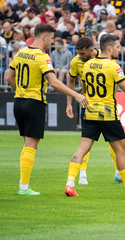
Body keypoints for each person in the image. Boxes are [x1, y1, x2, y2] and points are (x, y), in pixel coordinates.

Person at [64, 34, 125, 197]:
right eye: (118, 47)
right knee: (120, 150)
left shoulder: (87, 65)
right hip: (108, 114)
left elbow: (84, 89)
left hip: (90, 113)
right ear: (109, 47)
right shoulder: (113, 66)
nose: (119, 50)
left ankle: (70, 184)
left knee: (82, 149)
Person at [6, 23, 88, 196]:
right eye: (51, 38)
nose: (52, 41)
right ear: (44, 37)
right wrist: (76, 95)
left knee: (27, 145)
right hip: (34, 102)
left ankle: (23, 184)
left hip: (19, 102)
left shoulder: (20, 52)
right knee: (31, 146)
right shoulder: (42, 57)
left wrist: (19, 91)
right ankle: (23, 187)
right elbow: (54, 82)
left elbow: (9, 76)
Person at [66, 36, 125, 184]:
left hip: (97, 106)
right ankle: (82, 175)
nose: (79, 57)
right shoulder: (77, 61)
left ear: (92, 50)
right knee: (107, 144)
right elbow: (71, 81)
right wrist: (69, 103)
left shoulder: (106, 59)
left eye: (82, 54)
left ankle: (117, 172)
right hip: (91, 105)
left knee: (92, 143)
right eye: (78, 53)